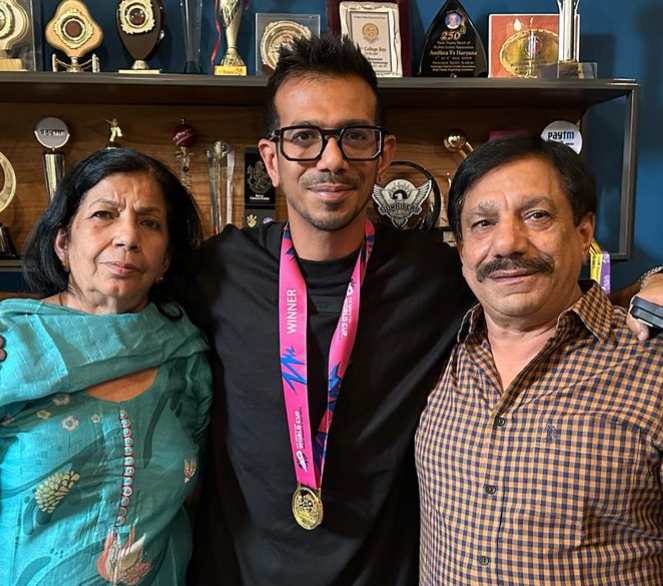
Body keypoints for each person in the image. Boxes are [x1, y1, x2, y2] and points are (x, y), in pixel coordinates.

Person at [187, 35, 663, 585]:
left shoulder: (441, 274)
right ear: (271, 158)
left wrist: (650, 282)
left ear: (384, 154)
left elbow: (549, 284)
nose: (332, 158)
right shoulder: (215, 270)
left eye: (354, 136)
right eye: (304, 137)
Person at [416, 135, 663, 584]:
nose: (507, 243)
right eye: (482, 223)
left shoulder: (652, 365)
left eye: (537, 215)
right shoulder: (438, 352)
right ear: (461, 248)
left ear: (584, 230)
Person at [0, 148, 212, 586]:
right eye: (103, 215)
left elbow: (194, 501)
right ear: (63, 242)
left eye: (150, 223)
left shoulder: (184, 353)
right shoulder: (11, 347)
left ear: (166, 259)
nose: (127, 237)